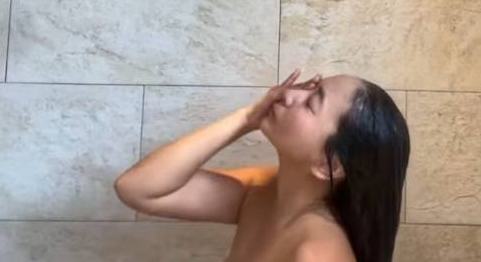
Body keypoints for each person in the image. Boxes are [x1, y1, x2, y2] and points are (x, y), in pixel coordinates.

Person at [114, 68, 410, 262]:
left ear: (329, 165)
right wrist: (245, 118)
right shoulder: (264, 190)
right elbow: (137, 189)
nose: (289, 94)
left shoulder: (317, 254)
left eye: (310, 103)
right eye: (310, 86)